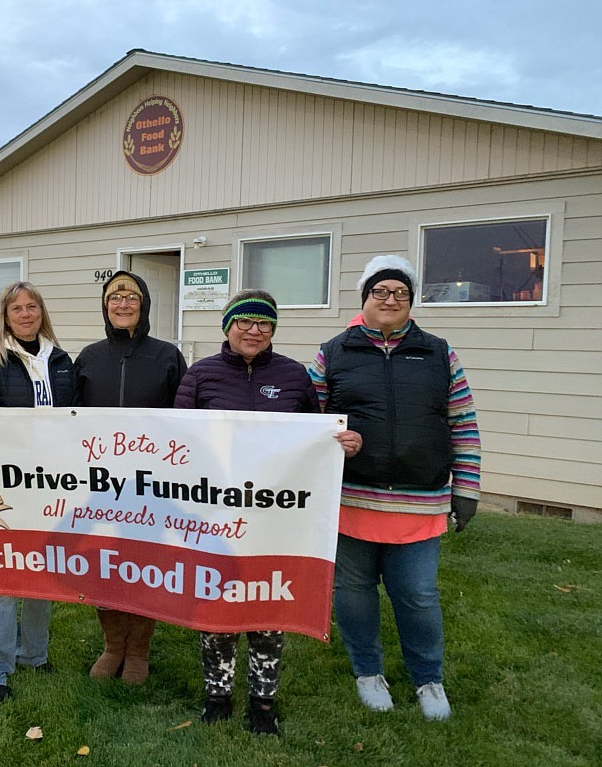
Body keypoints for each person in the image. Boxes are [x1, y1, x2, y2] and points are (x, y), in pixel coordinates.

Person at [174, 289, 362, 736]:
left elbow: (315, 437)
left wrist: (342, 445)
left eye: (264, 324)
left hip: (275, 515)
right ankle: (217, 696)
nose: (254, 331)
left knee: (266, 602)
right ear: (228, 326)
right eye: (245, 322)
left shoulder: (294, 377)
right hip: (215, 512)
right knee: (216, 603)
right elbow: (177, 441)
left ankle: (263, 702)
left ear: (273, 330)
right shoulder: (200, 375)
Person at [308, 255, 481, 722]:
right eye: (380, 292)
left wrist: (467, 488)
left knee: (418, 596)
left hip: (419, 502)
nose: (390, 300)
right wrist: (332, 441)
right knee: (355, 590)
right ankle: (368, 671)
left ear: (411, 301)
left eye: (400, 293)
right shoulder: (333, 352)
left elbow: (463, 424)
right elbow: (308, 422)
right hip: (351, 500)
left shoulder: (439, 353)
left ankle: (428, 678)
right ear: (365, 298)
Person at [73, 270, 187, 684]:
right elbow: (69, 423)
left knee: (144, 565)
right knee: (103, 564)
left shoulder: (168, 356)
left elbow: (185, 420)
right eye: (115, 298)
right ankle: (112, 645)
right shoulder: (87, 357)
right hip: (98, 482)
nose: (123, 305)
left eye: (132, 298)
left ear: (144, 305)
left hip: (152, 483)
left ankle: (138, 650)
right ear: (105, 307)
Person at [0, 281, 75, 702]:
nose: (26, 314)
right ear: (5, 315)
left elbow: (77, 419)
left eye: (32, 307)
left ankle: (34, 653)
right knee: (6, 574)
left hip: (53, 481)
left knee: (45, 569)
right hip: (8, 481)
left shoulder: (61, 359)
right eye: (17, 309)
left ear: (41, 312)